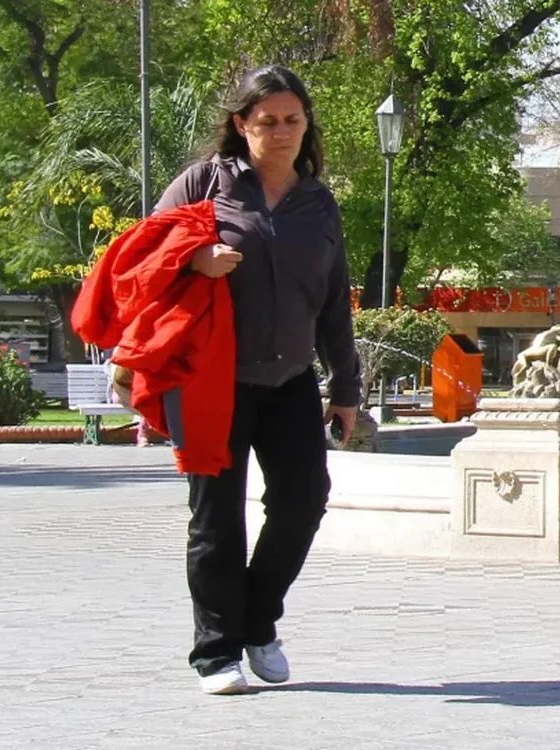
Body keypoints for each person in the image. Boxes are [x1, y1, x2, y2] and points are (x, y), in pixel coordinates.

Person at [153, 65, 361, 695]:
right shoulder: (203, 184)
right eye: (266, 121)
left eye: (292, 120)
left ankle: (257, 619)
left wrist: (345, 386)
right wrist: (196, 257)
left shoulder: (318, 201)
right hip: (209, 378)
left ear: (306, 124)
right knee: (216, 518)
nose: (281, 132)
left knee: (303, 500)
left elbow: (332, 300)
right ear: (241, 125)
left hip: (291, 378)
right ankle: (216, 654)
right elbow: (142, 251)